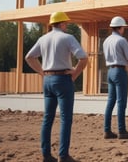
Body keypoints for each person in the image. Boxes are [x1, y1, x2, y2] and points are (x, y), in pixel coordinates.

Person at [25, 12, 88, 162]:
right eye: (66, 23)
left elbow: (29, 57)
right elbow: (83, 58)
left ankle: (46, 155)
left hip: (48, 80)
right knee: (66, 119)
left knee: (48, 118)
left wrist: (42, 72)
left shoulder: (43, 39)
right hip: (63, 79)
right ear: (61, 24)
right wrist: (75, 74)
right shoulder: (68, 38)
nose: (67, 25)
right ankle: (63, 155)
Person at [103, 16, 128, 139]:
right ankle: (122, 130)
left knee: (110, 102)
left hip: (110, 71)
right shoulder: (121, 40)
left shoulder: (106, 41)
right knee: (121, 102)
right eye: (123, 28)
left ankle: (107, 130)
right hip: (120, 72)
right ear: (120, 28)